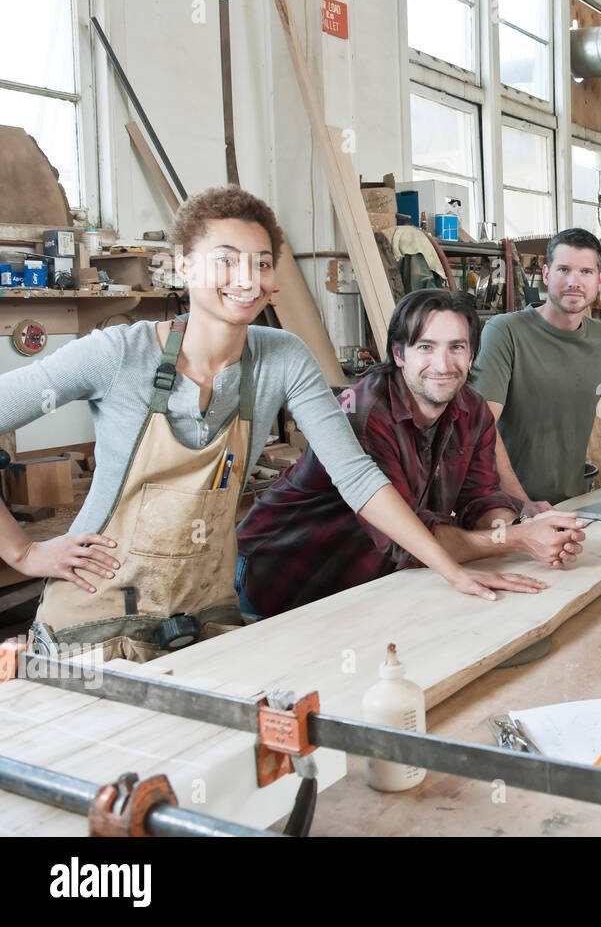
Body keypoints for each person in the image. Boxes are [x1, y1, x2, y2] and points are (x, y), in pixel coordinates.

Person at [0, 186, 542, 663]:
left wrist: (453, 570)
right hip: (98, 617)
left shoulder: (281, 357)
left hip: (204, 614)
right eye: (227, 260)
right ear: (183, 266)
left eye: (261, 263)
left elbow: (357, 478)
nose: (247, 279)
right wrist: (25, 554)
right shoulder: (119, 353)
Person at [236, 289, 588, 618]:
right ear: (398, 354)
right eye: (425, 347)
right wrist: (513, 541)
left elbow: (480, 498)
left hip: (370, 589)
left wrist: (524, 532)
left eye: (457, 347)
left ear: (472, 353)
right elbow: (407, 539)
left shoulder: (472, 409)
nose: (443, 364)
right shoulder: (365, 414)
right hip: (284, 586)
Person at [473, 228, 601, 513]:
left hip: (572, 501)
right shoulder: (504, 332)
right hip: (503, 505)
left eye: (585, 271)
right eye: (564, 270)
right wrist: (523, 504)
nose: (574, 282)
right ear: (546, 275)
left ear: (599, 280)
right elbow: (481, 423)